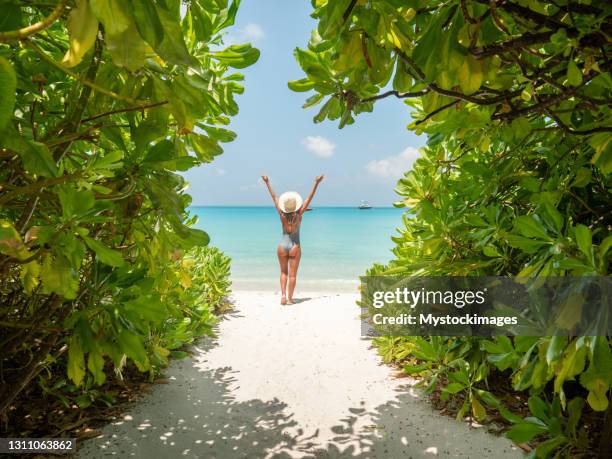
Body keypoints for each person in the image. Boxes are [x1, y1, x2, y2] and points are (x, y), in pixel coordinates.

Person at [261, 175, 324, 304]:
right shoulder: (299, 214)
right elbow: (309, 198)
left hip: (282, 246)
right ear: (296, 206)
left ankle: (283, 296)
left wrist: (267, 182)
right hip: (295, 246)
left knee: (283, 272)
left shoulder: (281, 214)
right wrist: (316, 183)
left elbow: (274, 197)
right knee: (293, 275)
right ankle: (290, 299)